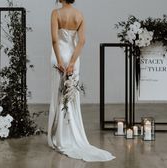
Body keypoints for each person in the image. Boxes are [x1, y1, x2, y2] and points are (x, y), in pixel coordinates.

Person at [47, 0, 115, 162]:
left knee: (58, 95)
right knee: (71, 95)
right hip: (73, 57)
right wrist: (71, 63)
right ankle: (72, 134)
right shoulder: (79, 15)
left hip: (59, 56)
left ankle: (60, 136)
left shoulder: (56, 13)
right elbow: (82, 41)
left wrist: (59, 61)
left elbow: (55, 40)